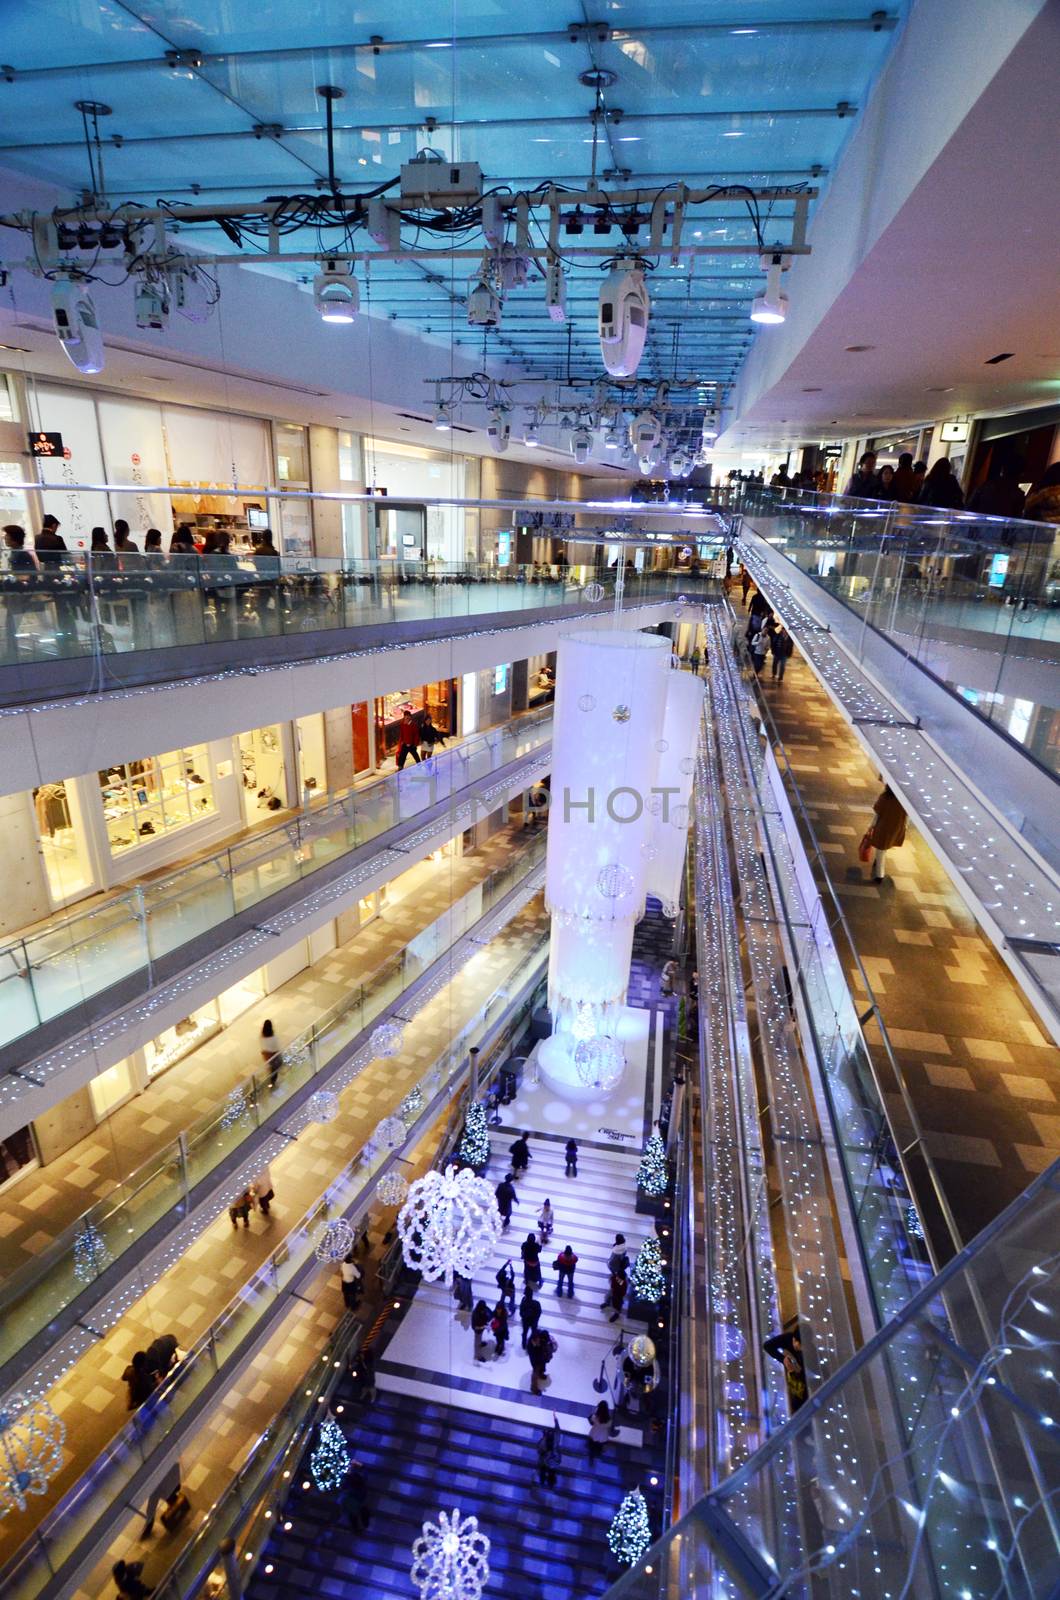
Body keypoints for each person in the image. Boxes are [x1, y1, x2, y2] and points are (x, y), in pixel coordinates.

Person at [863, 784, 907, 882]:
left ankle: (880, 875)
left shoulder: (885, 798)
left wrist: (871, 826)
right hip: (896, 827)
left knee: (881, 850)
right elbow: (906, 816)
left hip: (883, 827)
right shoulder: (903, 800)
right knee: (884, 847)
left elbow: (877, 814)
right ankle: (877, 862)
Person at [764, 1324, 808, 1412]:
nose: (801, 1349)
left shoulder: (807, 1353)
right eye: (800, 1345)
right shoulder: (788, 1338)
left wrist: (791, 1371)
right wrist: (783, 1359)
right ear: (795, 1340)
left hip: (804, 1392)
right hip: (799, 1388)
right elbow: (767, 1346)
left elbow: (799, 1390)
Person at [342, 1460, 371, 1531]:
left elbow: (344, 1484)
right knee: (362, 1513)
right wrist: (357, 1464)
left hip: (354, 1502)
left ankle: (357, 1527)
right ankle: (364, 1524)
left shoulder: (350, 1484)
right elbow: (364, 1470)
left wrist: (351, 1466)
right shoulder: (362, 1481)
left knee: (353, 1515)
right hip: (359, 1500)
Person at [527, 1326, 556, 1395]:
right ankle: (534, 1388)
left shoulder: (541, 1337)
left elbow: (546, 1346)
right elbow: (533, 1355)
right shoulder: (531, 1345)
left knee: (542, 1367)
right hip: (536, 1360)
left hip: (542, 1358)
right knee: (535, 1373)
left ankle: (541, 1374)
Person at [260, 1019, 283, 1092]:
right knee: (274, 1070)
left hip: (267, 1056)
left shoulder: (262, 1037)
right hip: (274, 1056)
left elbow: (263, 1047)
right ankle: (272, 1083)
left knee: (271, 1069)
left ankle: (271, 1081)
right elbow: (276, 1048)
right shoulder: (273, 1038)